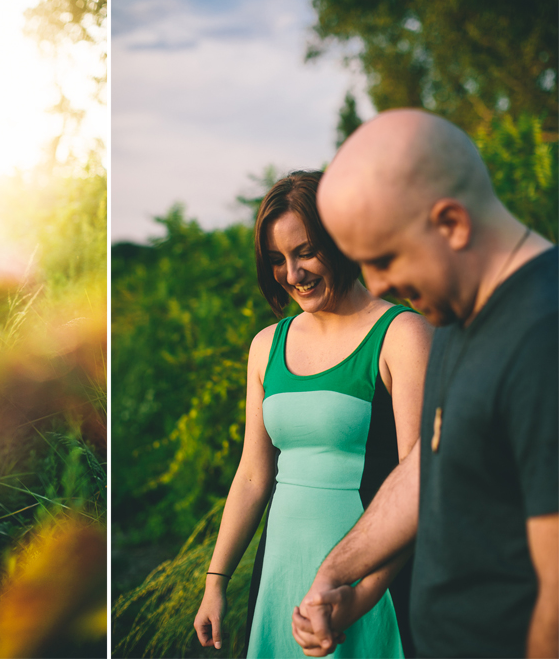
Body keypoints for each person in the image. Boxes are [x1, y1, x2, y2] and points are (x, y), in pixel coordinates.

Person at [291, 109, 558, 658]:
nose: (380, 285)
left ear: (452, 223)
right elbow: (427, 465)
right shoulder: (457, 314)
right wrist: (338, 575)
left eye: (385, 258)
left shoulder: (543, 338)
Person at [193, 171, 432, 657]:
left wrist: (360, 595)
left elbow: (422, 486)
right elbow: (254, 476)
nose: (292, 274)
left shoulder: (402, 335)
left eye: (305, 252)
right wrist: (215, 581)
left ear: (343, 239)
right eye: (277, 260)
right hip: (280, 571)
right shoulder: (266, 346)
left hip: (372, 585)